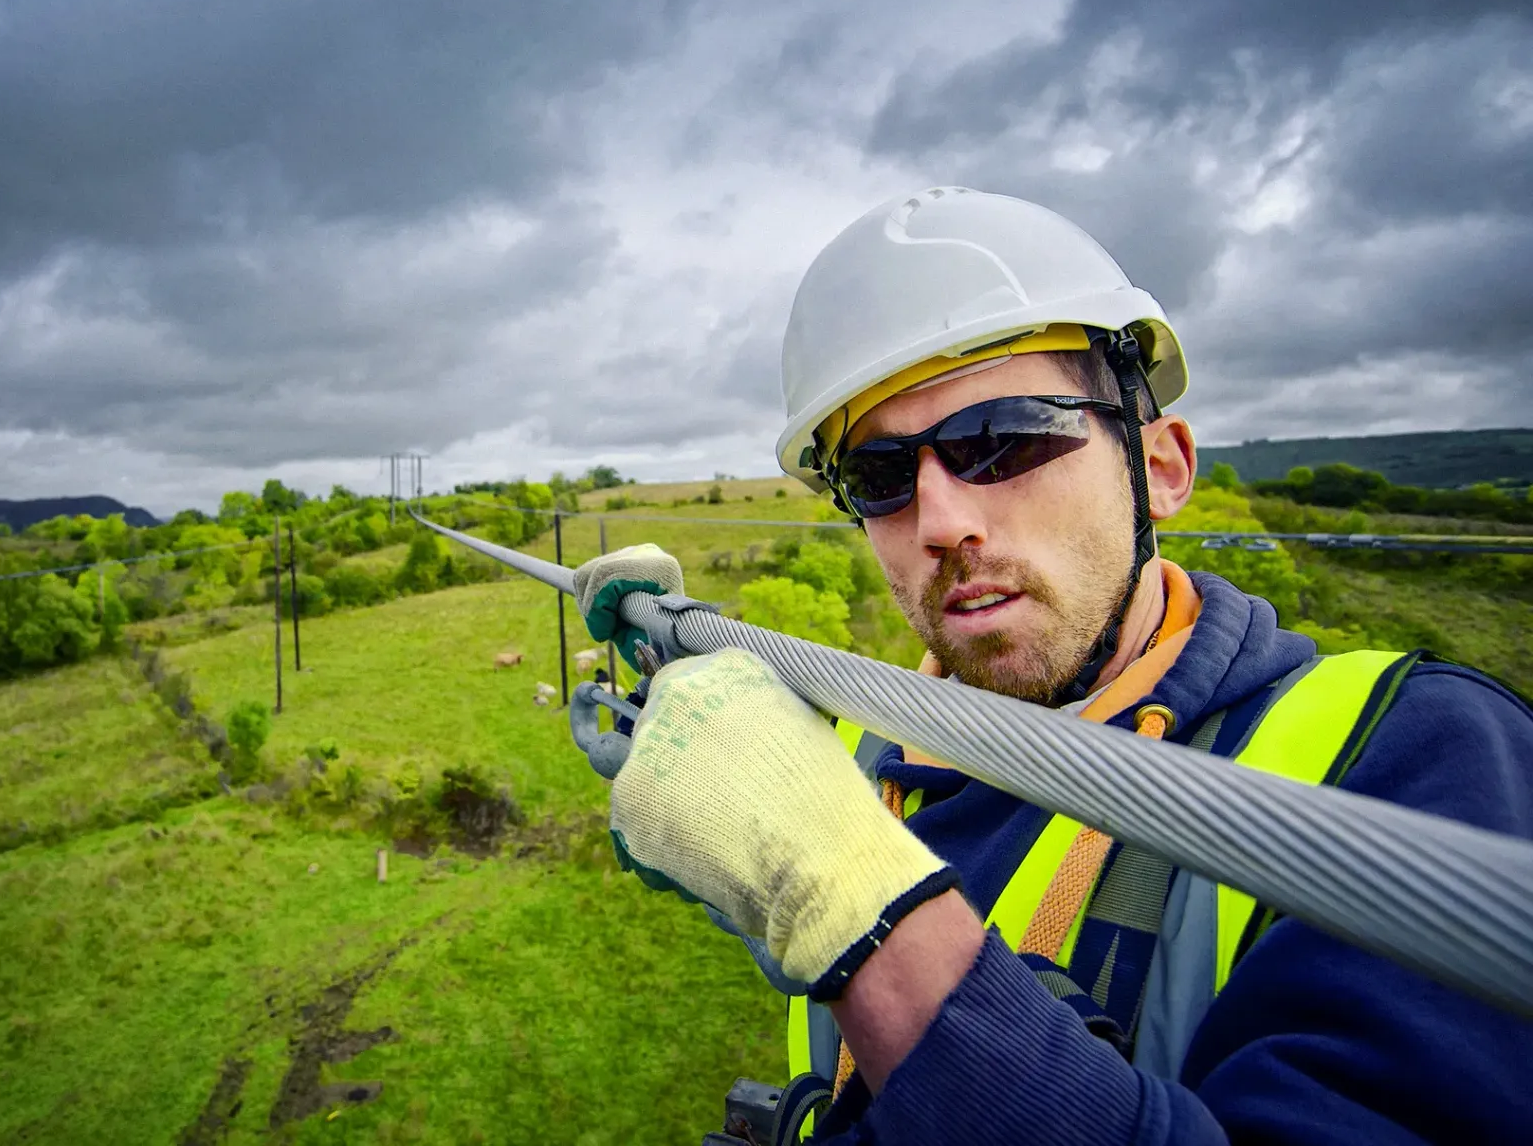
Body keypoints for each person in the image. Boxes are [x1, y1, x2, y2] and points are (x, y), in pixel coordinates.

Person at [570, 188, 1533, 1143]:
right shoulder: (876, 747)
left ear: (1160, 466)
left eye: (1003, 439)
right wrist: (677, 680)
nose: (941, 522)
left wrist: (857, 916)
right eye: (881, 476)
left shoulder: (1412, 764)